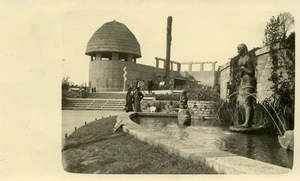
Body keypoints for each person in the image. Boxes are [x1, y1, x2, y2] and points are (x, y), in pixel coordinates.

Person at [237, 43, 257, 128]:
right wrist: (240, 72)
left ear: (244, 49)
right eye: (237, 49)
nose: (238, 50)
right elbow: (241, 74)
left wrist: (243, 68)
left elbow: (252, 72)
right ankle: (248, 122)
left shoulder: (248, 59)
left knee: (248, 102)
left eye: (239, 49)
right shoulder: (239, 60)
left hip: (250, 81)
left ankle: (247, 123)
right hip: (243, 82)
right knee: (246, 102)